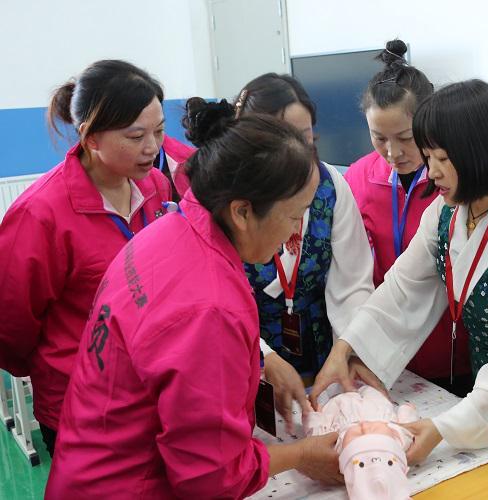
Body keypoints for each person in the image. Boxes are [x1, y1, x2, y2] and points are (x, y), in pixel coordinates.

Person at [46, 115, 342, 498]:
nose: (294, 234)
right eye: (293, 216)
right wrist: (301, 455)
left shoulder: (166, 230)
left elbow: (166, 351)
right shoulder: (211, 307)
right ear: (242, 212)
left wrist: (257, 360)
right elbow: (211, 477)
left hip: (85, 465)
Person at [311, 79, 488, 463]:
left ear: (479, 152)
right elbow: (402, 288)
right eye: (428, 157)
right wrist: (347, 347)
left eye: (442, 158)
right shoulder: (446, 212)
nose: (431, 171)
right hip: (483, 395)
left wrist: (445, 428)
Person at [0, 60, 176, 456]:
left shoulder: (156, 187)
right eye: (136, 136)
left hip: (151, 391)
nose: (153, 147)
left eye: (159, 131)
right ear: (91, 137)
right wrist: (57, 368)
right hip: (81, 408)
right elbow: (11, 324)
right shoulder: (40, 215)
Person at [216, 73, 374, 430]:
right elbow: (218, 301)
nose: (300, 152)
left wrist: (347, 349)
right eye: (285, 138)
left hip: (322, 359)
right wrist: (264, 357)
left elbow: (352, 284)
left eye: (307, 138)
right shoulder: (228, 200)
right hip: (246, 364)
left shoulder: (330, 186)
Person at [344, 39, 472, 395]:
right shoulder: (357, 178)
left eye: (405, 137)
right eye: (379, 138)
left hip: (452, 347)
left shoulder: (454, 181)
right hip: (384, 348)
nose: (392, 152)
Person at [304, 386, 417, 499]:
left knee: (319, 395)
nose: (364, 427)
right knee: (373, 389)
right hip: (376, 406)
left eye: (358, 435)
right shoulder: (401, 441)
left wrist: (313, 415)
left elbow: (316, 436)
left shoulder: (334, 451)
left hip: (338, 405)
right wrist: (408, 410)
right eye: (375, 432)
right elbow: (409, 426)